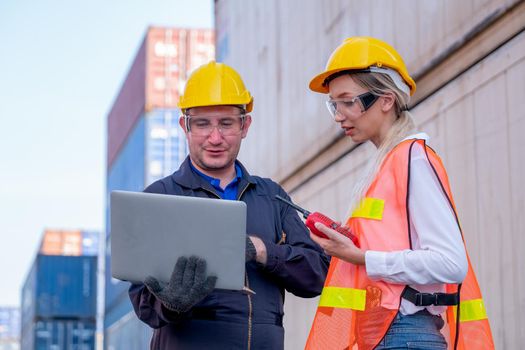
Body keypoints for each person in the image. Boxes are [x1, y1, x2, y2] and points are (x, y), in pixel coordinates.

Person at [304, 37, 494, 350]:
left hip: (403, 334)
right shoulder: (391, 163)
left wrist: (363, 257)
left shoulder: (412, 159)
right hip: (391, 334)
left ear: (386, 100)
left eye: (347, 101)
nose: (338, 115)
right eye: (333, 104)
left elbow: (451, 262)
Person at [128, 61, 329, 349]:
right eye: (202, 124)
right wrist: (171, 302)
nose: (215, 137)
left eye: (226, 123)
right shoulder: (159, 199)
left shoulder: (271, 198)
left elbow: (316, 277)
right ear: (185, 125)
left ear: (245, 125)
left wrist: (261, 250)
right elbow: (144, 305)